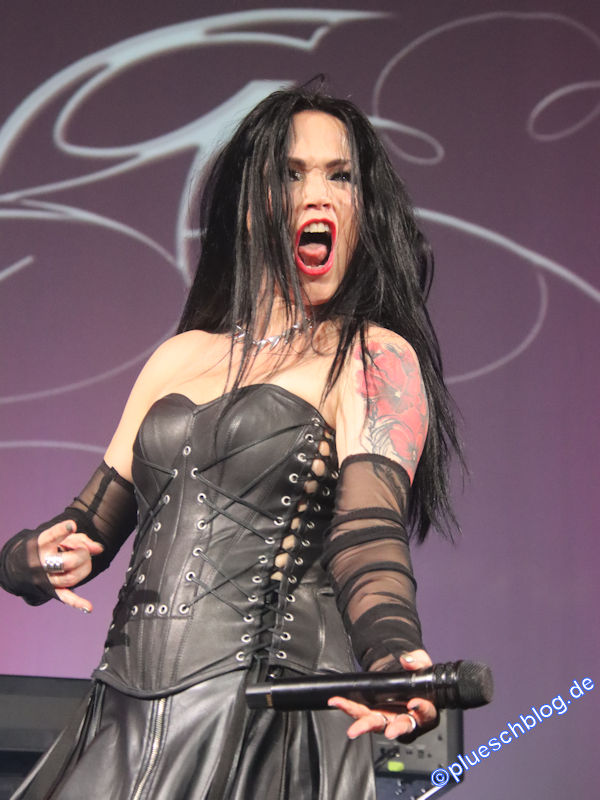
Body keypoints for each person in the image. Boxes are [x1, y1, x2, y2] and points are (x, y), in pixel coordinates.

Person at [0, 85, 461, 799]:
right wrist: (29, 560)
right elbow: (86, 525)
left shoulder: (371, 356)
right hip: (124, 712)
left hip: (268, 716)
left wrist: (393, 657)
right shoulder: (179, 357)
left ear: (364, 209)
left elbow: (368, 537)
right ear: (250, 207)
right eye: (292, 173)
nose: (319, 195)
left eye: (341, 176)